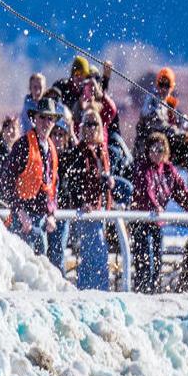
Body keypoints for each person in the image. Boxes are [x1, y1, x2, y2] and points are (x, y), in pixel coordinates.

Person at [130, 131, 188, 293]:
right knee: (143, 260)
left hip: (157, 222)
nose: (157, 153)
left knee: (156, 260)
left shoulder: (168, 170)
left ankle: (154, 291)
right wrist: (155, 206)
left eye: (160, 150)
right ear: (148, 151)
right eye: (153, 149)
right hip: (141, 221)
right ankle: (142, 292)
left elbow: (181, 192)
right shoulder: (143, 168)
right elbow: (146, 190)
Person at [64, 110, 114, 290]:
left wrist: (108, 182)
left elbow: (101, 181)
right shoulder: (79, 152)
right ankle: (88, 290)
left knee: (99, 255)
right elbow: (73, 182)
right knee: (93, 254)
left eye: (95, 124)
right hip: (86, 213)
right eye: (88, 124)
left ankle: (99, 290)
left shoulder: (103, 151)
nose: (92, 128)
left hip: (100, 211)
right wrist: (80, 202)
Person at [6, 96, 59, 256]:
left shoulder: (51, 149)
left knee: (40, 273)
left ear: (54, 121)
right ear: (34, 118)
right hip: (22, 221)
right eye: (42, 117)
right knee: (21, 272)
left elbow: (53, 186)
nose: (46, 122)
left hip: (42, 222)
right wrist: (19, 212)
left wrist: (52, 213)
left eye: (50, 118)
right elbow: (7, 181)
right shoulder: (22, 145)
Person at [48, 110, 79, 275]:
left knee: (58, 251)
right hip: (47, 211)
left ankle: (59, 281)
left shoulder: (68, 157)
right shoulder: (46, 155)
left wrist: (72, 132)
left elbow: (80, 152)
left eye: (61, 135)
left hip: (62, 211)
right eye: (55, 134)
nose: (58, 138)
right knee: (46, 252)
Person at [52, 56, 92, 121]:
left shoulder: (86, 91)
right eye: (77, 73)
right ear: (72, 75)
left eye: (83, 74)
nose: (80, 77)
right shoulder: (62, 86)